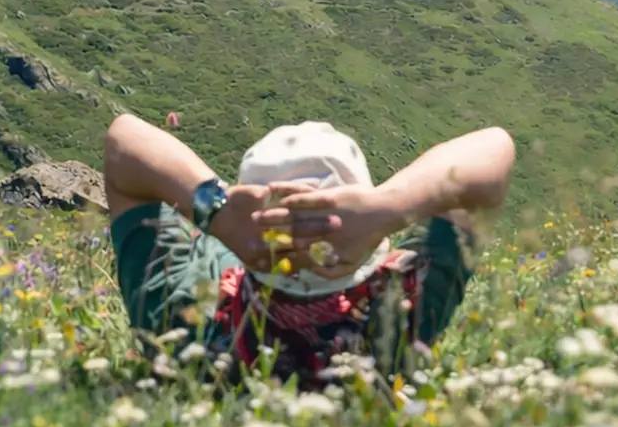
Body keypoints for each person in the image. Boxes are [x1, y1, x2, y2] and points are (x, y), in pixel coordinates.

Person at [102, 113, 514, 385]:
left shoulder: (186, 325)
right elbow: (494, 147)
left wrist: (219, 214)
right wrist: (389, 207)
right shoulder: (405, 321)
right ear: (366, 257)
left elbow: (124, 139)